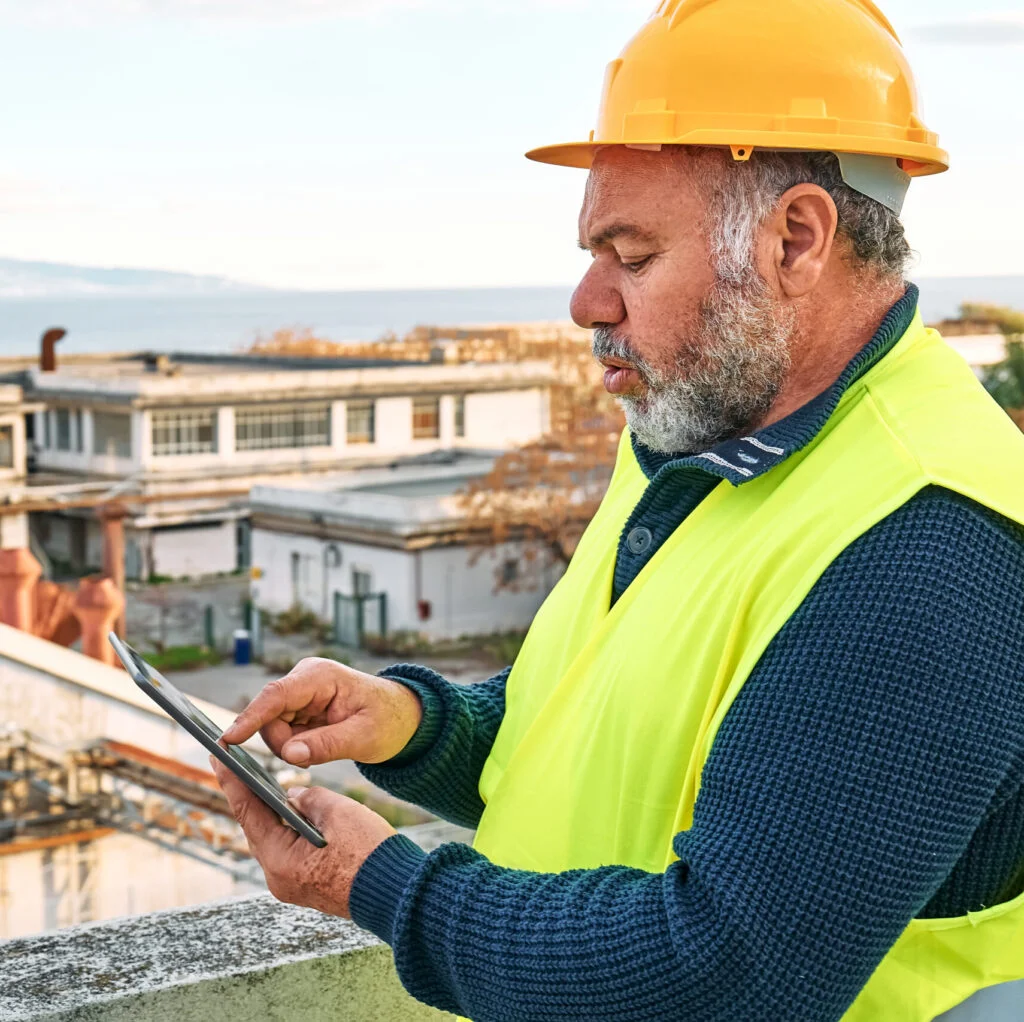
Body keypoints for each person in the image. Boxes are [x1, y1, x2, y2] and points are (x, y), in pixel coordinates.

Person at [213, 1, 1024, 1018]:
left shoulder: (928, 543)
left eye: (631, 255)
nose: (587, 301)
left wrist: (383, 885)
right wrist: (414, 725)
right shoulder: (698, 434)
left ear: (796, 238)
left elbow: (725, 972)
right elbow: (603, 728)